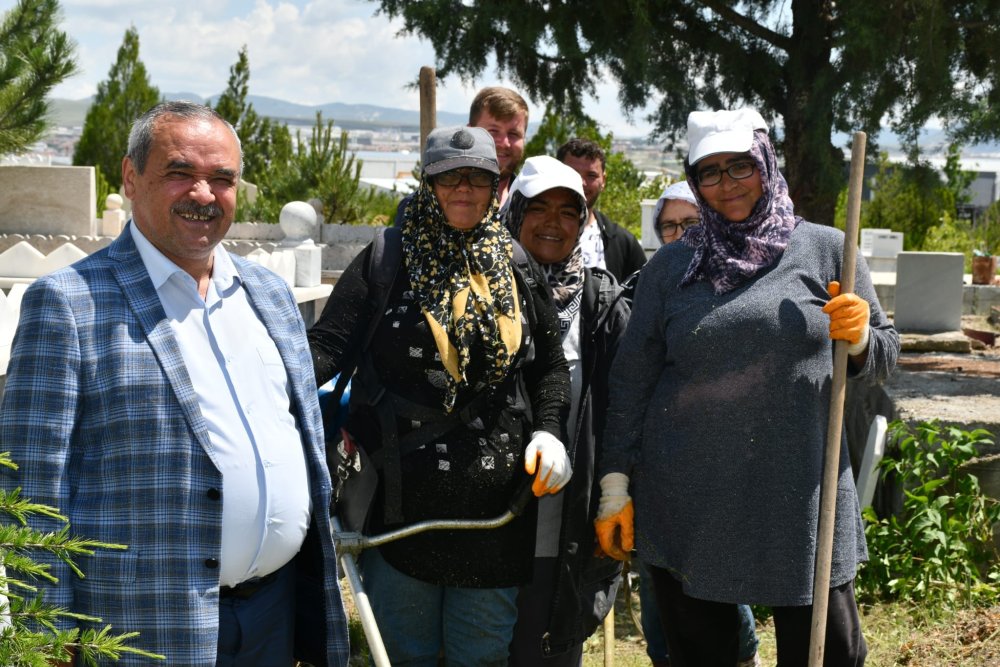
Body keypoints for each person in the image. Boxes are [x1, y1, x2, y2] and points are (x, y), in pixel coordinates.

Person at [0, 101, 349, 666]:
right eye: (181, 172)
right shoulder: (68, 304)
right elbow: (30, 486)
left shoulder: (269, 296)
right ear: (132, 178)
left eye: (221, 178)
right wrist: (48, 634)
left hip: (274, 614)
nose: (203, 194)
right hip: (143, 625)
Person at [594, 107, 899, 667]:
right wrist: (615, 485)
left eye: (740, 166)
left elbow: (884, 355)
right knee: (705, 653)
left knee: (830, 654)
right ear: (693, 180)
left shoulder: (829, 249)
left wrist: (857, 339)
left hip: (804, 493)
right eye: (708, 172)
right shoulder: (671, 268)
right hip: (691, 498)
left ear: (765, 162)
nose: (726, 184)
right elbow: (632, 380)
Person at [308, 126, 571, 666]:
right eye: (449, 177)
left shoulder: (515, 266)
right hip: (399, 513)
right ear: (427, 183)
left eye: (477, 178)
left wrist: (549, 428)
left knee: (483, 658)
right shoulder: (385, 260)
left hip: (497, 517)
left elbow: (549, 366)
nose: (463, 190)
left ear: (496, 187)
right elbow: (325, 351)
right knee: (406, 658)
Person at [502, 156, 628, 666]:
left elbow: (624, 404)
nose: (554, 223)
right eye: (539, 208)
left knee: (553, 642)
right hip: (487, 517)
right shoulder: (480, 286)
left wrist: (616, 493)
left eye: (569, 212)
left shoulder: (600, 302)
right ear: (514, 214)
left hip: (564, 518)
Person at [639, 178, 760, 667]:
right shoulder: (647, 284)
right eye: (668, 226)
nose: (678, 234)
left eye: (690, 222)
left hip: (719, 460)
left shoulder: (736, 284)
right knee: (660, 577)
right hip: (658, 465)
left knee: (718, 578)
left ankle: (742, 656)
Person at [557, 137, 647, 281]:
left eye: (591, 175)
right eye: (573, 174)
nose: (581, 183)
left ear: (603, 181)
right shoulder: (534, 233)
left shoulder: (623, 244)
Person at [469, 86, 529, 204]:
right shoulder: (440, 204)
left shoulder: (532, 208)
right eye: (493, 131)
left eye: (513, 134)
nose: (504, 143)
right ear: (469, 132)